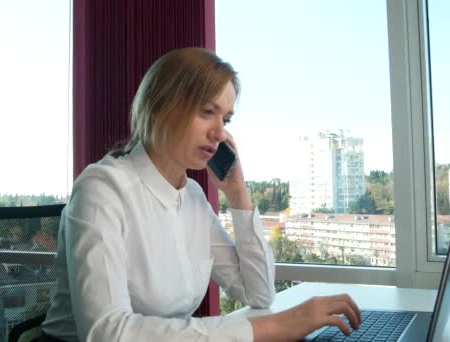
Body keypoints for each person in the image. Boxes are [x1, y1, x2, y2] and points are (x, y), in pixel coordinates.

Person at [40, 47, 361, 341]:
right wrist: (278, 325)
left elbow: (258, 293)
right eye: (207, 111)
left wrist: (238, 194)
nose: (220, 132)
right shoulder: (102, 189)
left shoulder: (191, 196)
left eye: (226, 118)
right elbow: (106, 333)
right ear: (161, 105)